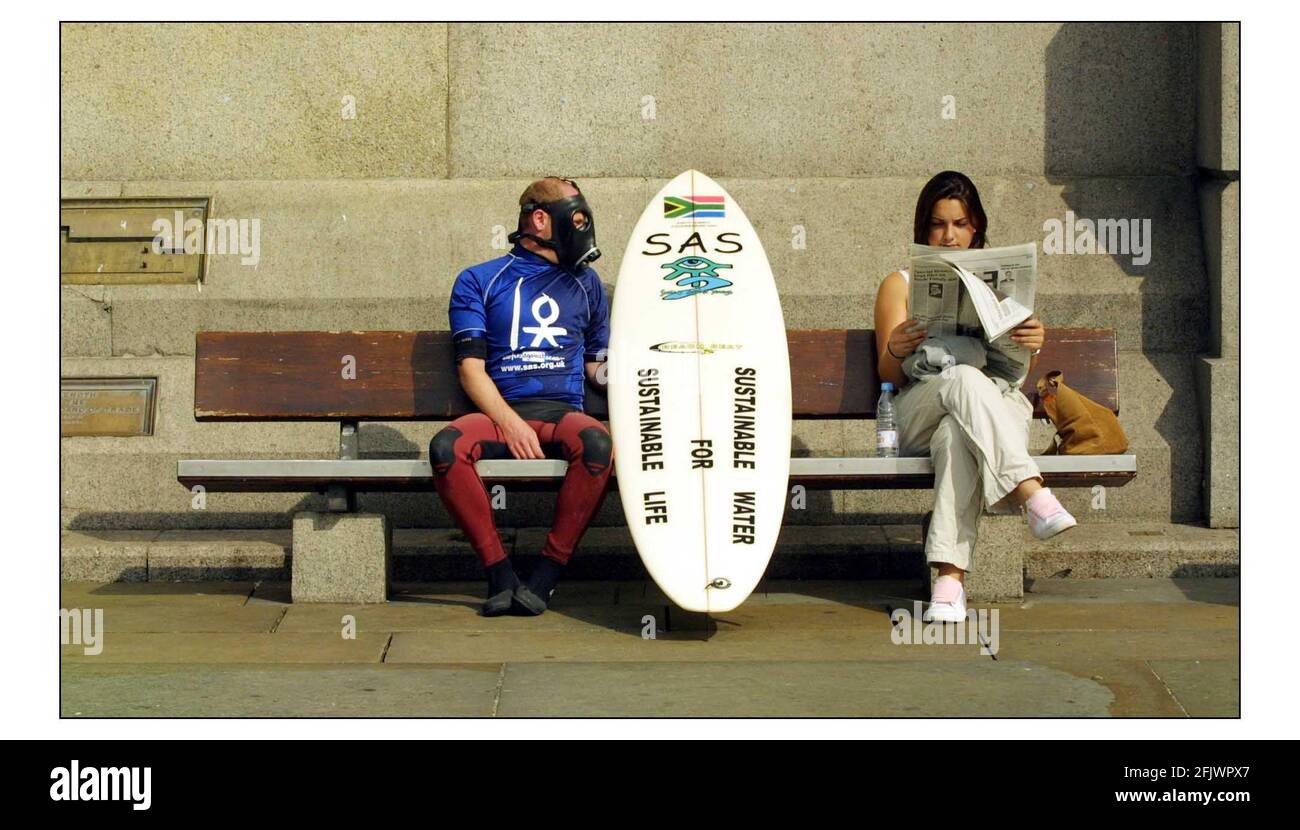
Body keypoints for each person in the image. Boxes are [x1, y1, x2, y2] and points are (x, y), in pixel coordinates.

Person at [873, 170, 1077, 623]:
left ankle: (949, 584)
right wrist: (896, 348)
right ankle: (1030, 492)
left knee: (956, 434)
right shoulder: (899, 283)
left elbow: (1011, 374)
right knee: (962, 381)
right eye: (938, 224)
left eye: (960, 224)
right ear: (923, 228)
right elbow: (888, 376)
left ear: (976, 227)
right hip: (918, 409)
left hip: (979, 413)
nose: (949, 236)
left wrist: (1032, 339)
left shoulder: (997, 281)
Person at [430, 177, 613, 617]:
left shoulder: (589, 285)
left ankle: (546, 577)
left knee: (599, 445)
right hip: (499, 413)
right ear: (539, 220)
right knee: (445, 448)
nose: (584, 227)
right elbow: (471, 369)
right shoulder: (479, 280)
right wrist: (509, 423)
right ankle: (499, 574)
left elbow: (596, 365)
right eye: (577, 218)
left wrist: (636, 373)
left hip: (562, 412)